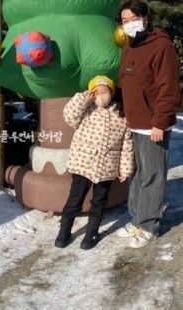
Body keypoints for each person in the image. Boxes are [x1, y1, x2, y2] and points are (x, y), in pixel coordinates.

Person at [116, 0, 182, 248]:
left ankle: (149, 225)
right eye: (124, 21)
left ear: (145, 18)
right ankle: (136, 220)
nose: (129, 24)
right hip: (134, 123)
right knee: (138, 174)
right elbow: (126, 83)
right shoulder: (129, 47)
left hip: (153, 124)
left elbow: (169, 86)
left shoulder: (161, 46)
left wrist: (160, 122)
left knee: (153, 175)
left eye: (133, 19)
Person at [56, 76, 134, 250]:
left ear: (112, 93)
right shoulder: (86, 110)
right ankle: (64, 232)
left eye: (104, 91)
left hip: (107, 166)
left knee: (99, 202)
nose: (101, 95)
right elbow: (69, 114)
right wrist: (84, 98)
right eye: (96, 92)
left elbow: (127, 145)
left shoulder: (121, 115)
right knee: (75, 199)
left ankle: (91, 233)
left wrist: (125, 169)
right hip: (83, 164)